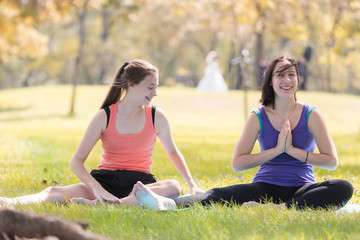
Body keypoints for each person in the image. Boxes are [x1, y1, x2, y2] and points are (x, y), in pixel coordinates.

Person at [131, 54, 353, 210]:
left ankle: (280, 208)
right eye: (280, 75)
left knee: (343, 187)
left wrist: (292, 150)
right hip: (264, 187)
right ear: (270, 81)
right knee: (218, 194)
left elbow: (331, 161)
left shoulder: (311, 115)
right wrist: (276, 150)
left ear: (297, 78)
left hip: (303, 189)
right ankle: (168, 204)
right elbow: (238, 163)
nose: (287, 81)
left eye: (291, 75)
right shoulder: (258, 117)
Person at [1, 60, 203, 206]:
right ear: (131, 84)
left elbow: (173, 152)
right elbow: (76, 161)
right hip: (104, 181)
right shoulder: (104, 116)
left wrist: (192, 185)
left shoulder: (156, 116)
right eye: (150, 87)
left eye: (156, 87)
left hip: (139, 185)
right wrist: (97, 189)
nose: (155, 93)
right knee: (54, 192)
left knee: (174, 186)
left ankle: (114, 204)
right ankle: (8, 202)